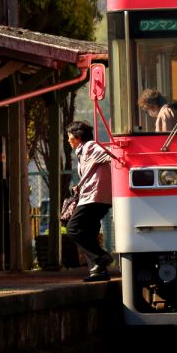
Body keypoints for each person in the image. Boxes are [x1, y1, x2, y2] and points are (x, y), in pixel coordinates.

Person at [66, 121, 114, 282]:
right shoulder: (82, 151)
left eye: (69, 137)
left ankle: (101, 256)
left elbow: (110, 153)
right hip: (98, 196)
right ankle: (99, 271)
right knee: (90, 231)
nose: (68, 140)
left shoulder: (90, 146)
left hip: (94, 196)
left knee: (73, 228)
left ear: (78, 137)